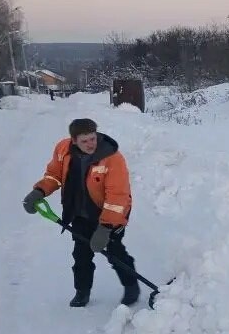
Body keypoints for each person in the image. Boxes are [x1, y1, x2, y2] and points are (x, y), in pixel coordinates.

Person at [22, 118, 140, 307]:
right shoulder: (63, 149)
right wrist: (39, 191)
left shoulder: (112, 157)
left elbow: (118, 195)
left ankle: (131, 286)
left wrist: (106, 227)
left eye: (92, 139)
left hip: (109, 213)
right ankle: (82, 291)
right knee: (81, 256)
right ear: (74, 140)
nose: (90, 144)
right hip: (79, 214)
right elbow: (54, 174)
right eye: (84, 141)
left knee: (115, 252)